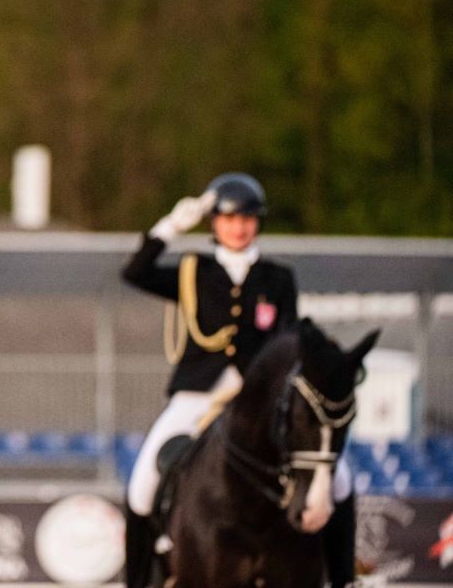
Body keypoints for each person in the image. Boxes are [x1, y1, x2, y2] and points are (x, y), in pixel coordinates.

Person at [121, 173, 355, 588]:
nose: (238, 227)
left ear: (257, 223)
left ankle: (343, 579)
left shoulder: (277, 278)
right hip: (199, 392)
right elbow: (135, 272)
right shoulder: (194, 271)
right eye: (229, 219)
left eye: (247, 218)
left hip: (257, 399)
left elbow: (285, 338)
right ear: (214, 223)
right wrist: (170, 227)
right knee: (142, 485)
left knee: (340, 480)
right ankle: (139, 580)